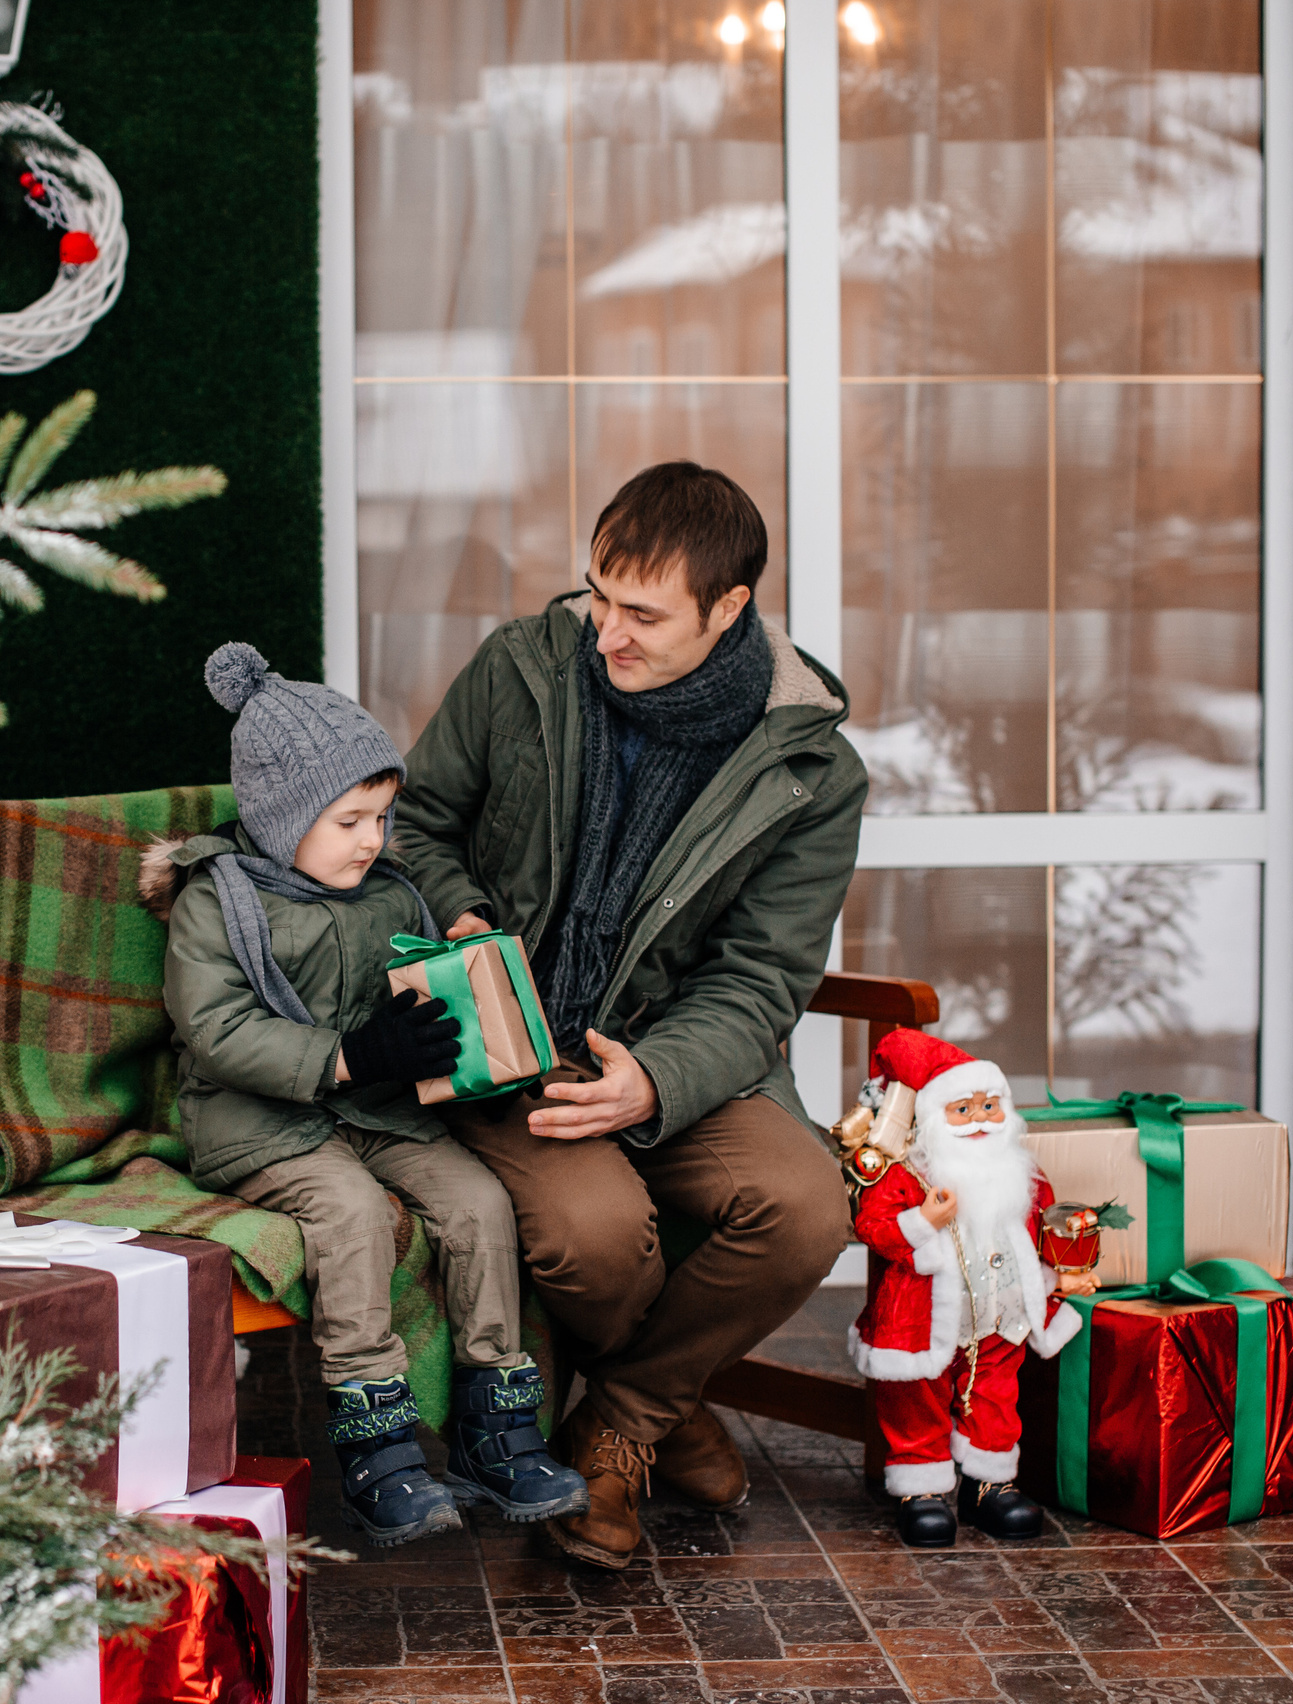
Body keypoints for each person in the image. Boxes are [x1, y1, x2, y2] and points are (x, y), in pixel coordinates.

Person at [391, 461, 864, 1569]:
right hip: (507, 1050)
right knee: (596, 1235)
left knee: (803, 1206)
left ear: (729, 608)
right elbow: (412, 827)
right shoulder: (521, 669)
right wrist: (461, 919)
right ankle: (667, 1409)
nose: (605, 632)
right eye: (598, 594)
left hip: (684, 1059)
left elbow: (761, 976)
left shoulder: (811, 772)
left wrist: (654, 1080)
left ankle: (616, 1423)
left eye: (641, 613)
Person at [147, 642, 589, 1546]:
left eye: (382, 818)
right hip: (257, 1123)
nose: (372, 840)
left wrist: (475, 1051)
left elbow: (421, 1012)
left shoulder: (389, 895)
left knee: (476, 1200)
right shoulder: (218, 900)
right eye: (350, 819)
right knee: (351, 1212)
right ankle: (377, 1438)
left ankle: (494, 1423)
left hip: (375, 1109)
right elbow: (219, 1031)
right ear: (282, 813)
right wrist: (351, 1056)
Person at [848, 1029, 1083, 1548]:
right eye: (963, 1108)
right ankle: (922, 1489)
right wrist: (923, 1220)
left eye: (990, 1106)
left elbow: (1040, 1222)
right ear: (934, 1116)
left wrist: (1060, 1272)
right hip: (923, 1317)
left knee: (996, 1395)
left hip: (1001, 1313)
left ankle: (989, 1483)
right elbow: (874, 1226)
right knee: (917, 1398)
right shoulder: (905, 1172)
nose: (980, 1118)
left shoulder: (1020, 1170)